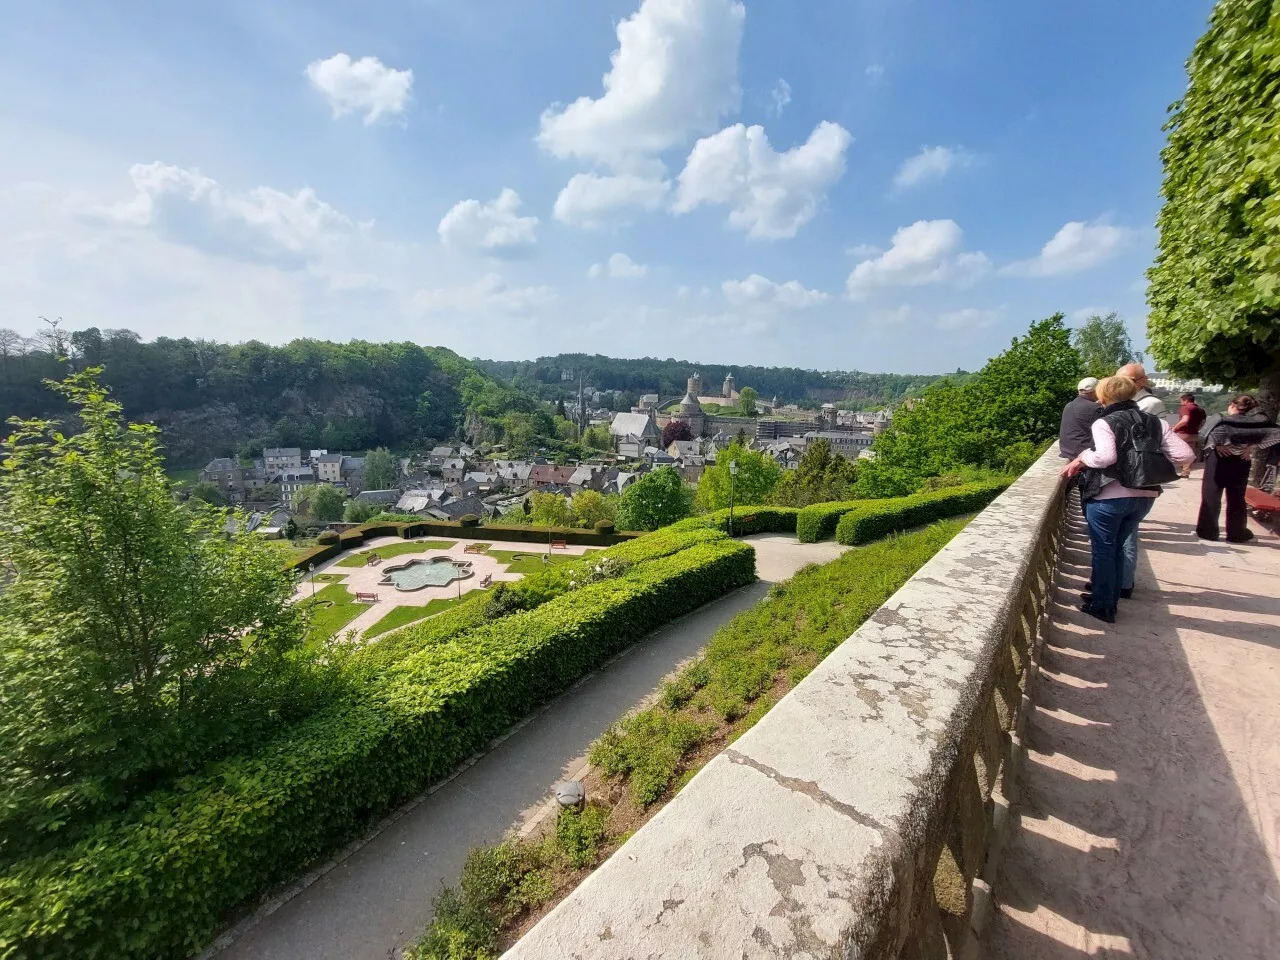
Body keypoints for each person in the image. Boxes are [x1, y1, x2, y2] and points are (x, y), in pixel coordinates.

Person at [1061, 376, 1192, 623]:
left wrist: (1084, 456)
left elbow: (1105, 458)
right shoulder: (1154, 422)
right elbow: (1185, 454)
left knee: (1104, 549)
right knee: (1118, 546)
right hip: (1145, 495)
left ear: (1103, 397)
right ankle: (1109, 595)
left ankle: (1103, 606)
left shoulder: (1105, 421)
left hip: (1110, 496)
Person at [1196, 394, 1280, 543]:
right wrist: (1251, 446)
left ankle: (1207, 531)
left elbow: (1204, 436)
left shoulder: (1220, 420)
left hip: (1218, 459)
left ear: (1233, 405)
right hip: (1242, 459)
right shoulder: (1257, 422)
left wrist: (1218, 444)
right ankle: (1237, 533)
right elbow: (1272, 434)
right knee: (1236, 498)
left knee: (1211, 496)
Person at [1059, 377, 1102, 459]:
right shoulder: (1095, 408)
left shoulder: (1069, 405)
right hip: (1082, 452)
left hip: (1066, 450)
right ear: (1095, 391)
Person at [1171, 392, 1207, 478]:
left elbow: (1185, 420)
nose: (1181, 403)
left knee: (1173, 451)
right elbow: (1203, 422)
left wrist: (1174, 428)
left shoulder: (1185, 408)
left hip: (1183, 434)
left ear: (1185, 400)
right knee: (1189, 453)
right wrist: (1197, 429)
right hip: (1194, 434)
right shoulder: (1200, 410)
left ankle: (1170, 470)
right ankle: (1185, 472)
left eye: (1181, 401)